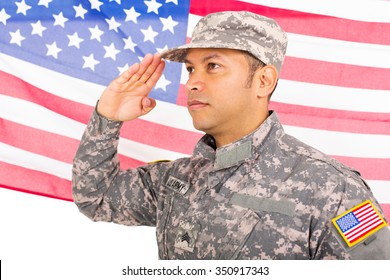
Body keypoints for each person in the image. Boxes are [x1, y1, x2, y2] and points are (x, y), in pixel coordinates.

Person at [72, 11, 390, 259]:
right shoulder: (177, 179)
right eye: (190, 69)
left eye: (213, 66)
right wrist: (107, 117)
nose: (193, 83)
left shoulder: (335, 189)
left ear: (263, 81)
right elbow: (95, 198)